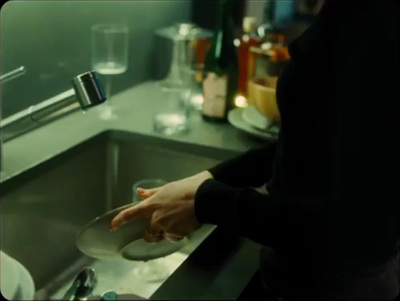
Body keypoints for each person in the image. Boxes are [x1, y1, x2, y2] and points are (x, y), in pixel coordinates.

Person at [110, 1, 399, 300]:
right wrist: (206, 180)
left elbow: (358, 229)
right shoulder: (351, 17)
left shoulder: (375, 21)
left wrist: (206, 202)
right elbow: (312, 145)